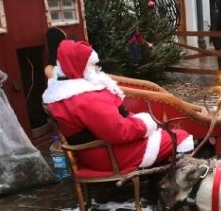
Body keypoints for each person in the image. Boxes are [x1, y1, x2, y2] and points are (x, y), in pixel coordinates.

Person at [42, 40, 193, 174]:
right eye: (92, 65)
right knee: (180, 137)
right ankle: (168, 184)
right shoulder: (85, 99)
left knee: (166, 134)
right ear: (80, 67)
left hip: (94, 151)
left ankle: (156, 176)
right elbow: (118, 131)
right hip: (109, 154)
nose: (96, 68)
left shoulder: (63, 93)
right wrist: (145, 124)